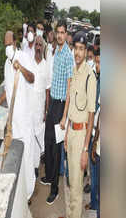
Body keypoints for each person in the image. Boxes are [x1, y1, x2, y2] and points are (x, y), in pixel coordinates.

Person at [0, 30, 36, 202]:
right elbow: (7, 89)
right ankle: (19, 191)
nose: (7, 47)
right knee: (14, 153)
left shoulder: (23, 56)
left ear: (14, 44)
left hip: (24, 117)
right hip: (12, 120)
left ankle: (28, 193)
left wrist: (20, 66)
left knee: (25, 154)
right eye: (5, 44)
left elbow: (32, 77)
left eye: (8, 44)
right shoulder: (6, 63)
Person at [41, 20, 74, 206]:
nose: (60, 35)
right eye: (58, 32)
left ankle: (55, 190)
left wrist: (64, 116)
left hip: (61, 106)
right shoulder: (57, 52)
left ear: (66, 33)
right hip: (53, 103)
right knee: (48, 143)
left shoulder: (68, 55)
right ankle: (49, 176)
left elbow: (69, 88)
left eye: (63, 32)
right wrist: (49, 107)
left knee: (55, 149)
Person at [64, 31, 96, 218]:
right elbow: (72, 109)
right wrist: (67, 133)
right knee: (70, 182)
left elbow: (91, 115)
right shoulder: (74, 71)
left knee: (76, 188)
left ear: (86, 52)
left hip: (82, 135)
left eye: (81, 49)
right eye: (75, 48)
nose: (77, 52)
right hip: (71, 132)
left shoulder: (90, 77)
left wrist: (85, 149)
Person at [30, 35, 51, 178]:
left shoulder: (46, 65)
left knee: (38, 137)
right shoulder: (28, 63)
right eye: (36, 45)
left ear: (43, 47)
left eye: (40, 45)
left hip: (40, 108)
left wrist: (46, 111)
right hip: (29, 107)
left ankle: (36, 166)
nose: (38, 47)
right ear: (34, 47)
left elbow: (48, 90)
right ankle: (29, 165)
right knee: (29, 136)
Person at [85, 47, 100, 213]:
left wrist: (95, 141)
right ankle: (94, 203)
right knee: (94, 173)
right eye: (96, 62)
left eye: (99, 62)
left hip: (99, 137)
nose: (97, 65)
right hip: (94, 131)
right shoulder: (96, 78)